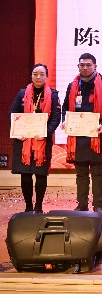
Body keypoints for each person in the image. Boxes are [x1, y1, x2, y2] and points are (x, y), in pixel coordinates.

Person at [62, 53, 102, 213]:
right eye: (82, 65)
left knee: (97, 173)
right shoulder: (72, 86)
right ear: (78, 66)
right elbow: (65, 108)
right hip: (78, 137)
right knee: (81, 174)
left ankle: (98, 205)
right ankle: (82, 205)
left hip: (96, 136)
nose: (85, 68)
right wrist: (65, 121)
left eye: (88, 65)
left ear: (95, 66)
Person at [9, 63, 62, 213]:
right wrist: (17, 132)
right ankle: (28, 206)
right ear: (31, 76)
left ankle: (38, 206)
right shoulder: (22, 93)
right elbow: (12, 113)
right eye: (35, 74)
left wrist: (45, 133)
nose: (38, 77)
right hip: (23, 141)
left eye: (41, 74)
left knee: (40, 174)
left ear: (46, 76)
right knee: (25, 175)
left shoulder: (53, 94)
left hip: (42, 141)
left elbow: (56, 118)